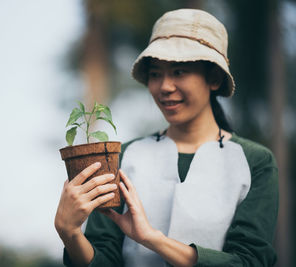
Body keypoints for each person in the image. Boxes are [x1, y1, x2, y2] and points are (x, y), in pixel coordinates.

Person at [54, 8, 278, 267]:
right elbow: (105, 258)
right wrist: (70, 234)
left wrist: (152, 238)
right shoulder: (124, 157)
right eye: (155, 74)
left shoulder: (255, 162)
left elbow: (251, 261)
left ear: (214, 77)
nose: (165, 87)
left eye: (179, 72)